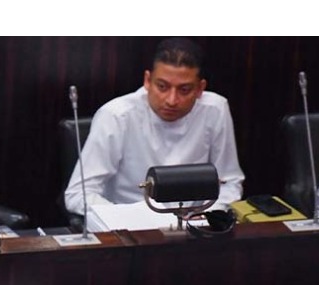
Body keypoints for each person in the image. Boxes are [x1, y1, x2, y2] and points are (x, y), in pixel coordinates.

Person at [64, 37, 244, 216]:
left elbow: (229, 182)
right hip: (131, 225)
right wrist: (126, 218)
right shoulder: (116, 115)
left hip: (196, 223)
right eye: (162, 87)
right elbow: (78, 195)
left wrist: (206, 217)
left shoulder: (215, 109)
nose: (172, 100)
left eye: (184, 90)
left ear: (200, 89)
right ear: (147, 81)